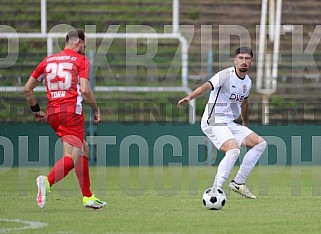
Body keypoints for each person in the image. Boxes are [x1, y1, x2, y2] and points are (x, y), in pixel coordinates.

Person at [24, 28, 106, 209]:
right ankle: (46, 181)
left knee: (83, 148)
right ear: (78, 42)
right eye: (84, 44)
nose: (84, 48)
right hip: (71, 113)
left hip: (53, 113)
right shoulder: (81, 60)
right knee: (71, 156)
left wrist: (36, 110)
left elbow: (27, 88)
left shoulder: (48, 60)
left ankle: (88, 196)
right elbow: (84, 90)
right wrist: (96, 109)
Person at [177, 46, 266, 199]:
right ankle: (215, 190)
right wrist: (189, 97)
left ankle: (238, 182)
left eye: (247, 59)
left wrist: (245, 123)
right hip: (213, 120)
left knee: (260, 144)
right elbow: (207, 86)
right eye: (240, 58)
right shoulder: (225, 75)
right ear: (235, 60)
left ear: (251, 62)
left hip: (228, 123)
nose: (243, 61)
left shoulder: (248, 83)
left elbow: (244, 103)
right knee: (234, 150)